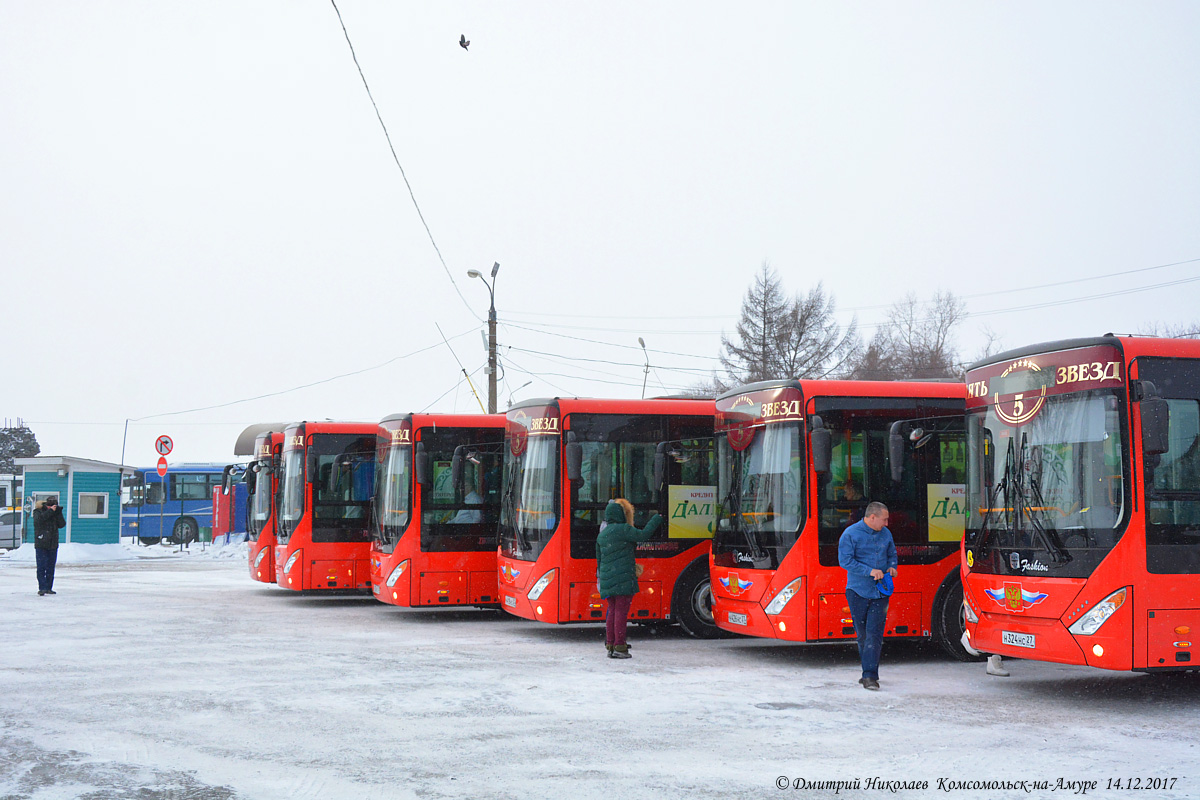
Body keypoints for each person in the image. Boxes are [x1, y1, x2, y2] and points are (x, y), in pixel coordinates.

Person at [838, 501, 897, 690]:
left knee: (874, 633)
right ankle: (867, 670)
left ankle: (870, 676)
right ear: (872, 517)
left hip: (880, 591)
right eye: (884, 519)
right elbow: (845, 561)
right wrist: (869, 571)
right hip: (857, 591)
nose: (886, 524)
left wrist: (892, 567)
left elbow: (892, 554)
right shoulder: (850, 534)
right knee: (863, 634)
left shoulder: (886, 534)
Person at [596, 498, 661, 659]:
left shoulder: (602, 535)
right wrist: (656, 519)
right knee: (621, 612)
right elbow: (643, 535)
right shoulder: (624, 529)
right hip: (623, 577)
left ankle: (611, 644)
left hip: (606, 577)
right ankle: (620, 646)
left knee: (612, 610)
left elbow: (599, 559)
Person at [32, 496, 66, 596]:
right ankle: (42, 587)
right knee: (41, 566)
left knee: (51, 567)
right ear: (46, 505)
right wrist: (50, 511)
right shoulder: (37, 511)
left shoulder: (55, 513)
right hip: (41, 543)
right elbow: (39, 521)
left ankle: (48, 587)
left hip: (53, 544)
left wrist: (58, 513)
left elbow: (62, 524)